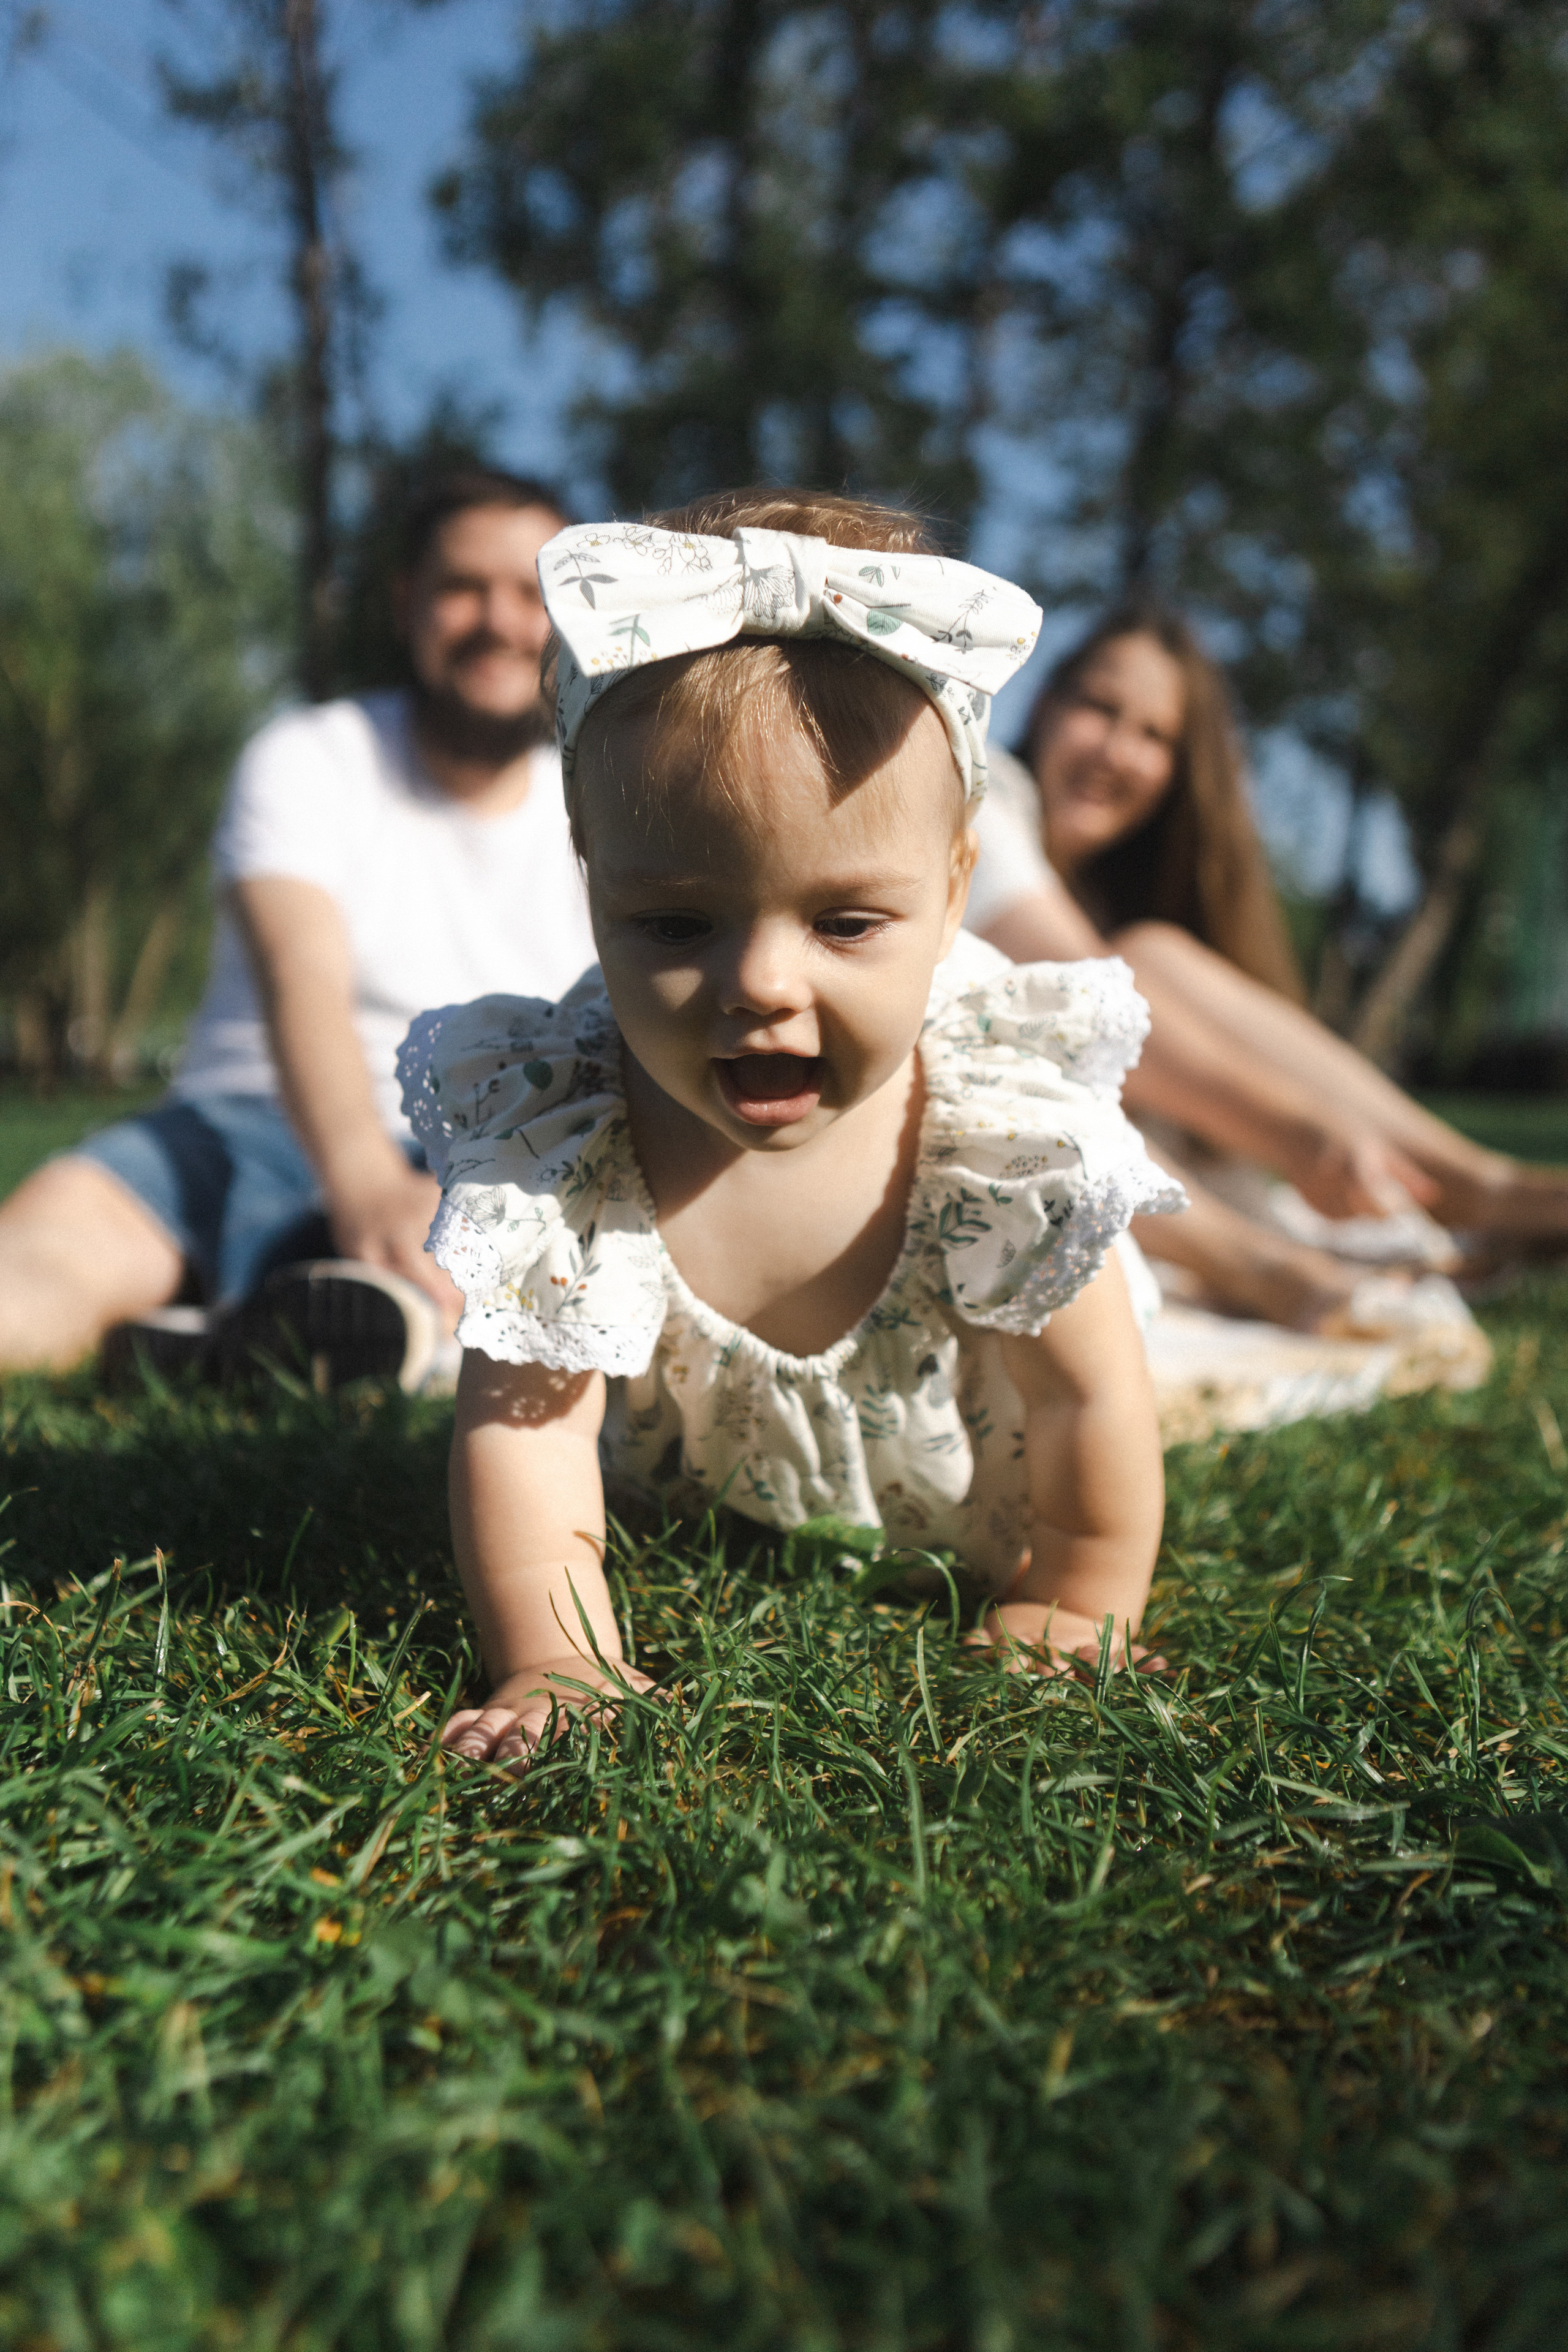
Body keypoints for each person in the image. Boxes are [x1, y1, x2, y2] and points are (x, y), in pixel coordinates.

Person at [397, 488, 1185, 1768]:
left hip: (969, 1505)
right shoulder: (572, 1136)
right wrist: (554, 1657)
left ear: (951, 890)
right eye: (671, 925)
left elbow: (1089, 1394)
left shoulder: (997, 1130)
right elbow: (522, 1423)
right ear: (589, 873)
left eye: (845, 923)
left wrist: (1081, 1594)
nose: (760, 984)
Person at [0, 468, 598, 1382]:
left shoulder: (606, 805)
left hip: (489, 1159)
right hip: (238, 1128)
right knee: (35, 1277)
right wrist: (363, 1185)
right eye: (462, 588)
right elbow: (301, 977)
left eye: (531, 594)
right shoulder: (311, 757)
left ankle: (268, 1328)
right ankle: (315, 1318)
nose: (500, 621)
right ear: (406, 605)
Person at [966, 604, 1568, 1333]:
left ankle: (1481, 1184)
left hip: (1099, 1140)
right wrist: (1298, 1135)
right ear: (1045, 702)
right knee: (1125, 972)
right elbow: (1086, 998)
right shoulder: (983, 796)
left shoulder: (1097, 893)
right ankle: (1321, 1246)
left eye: (1154, 735)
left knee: (1155, 951)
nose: (1118, 751)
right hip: (987, 1111)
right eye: (1099, 707)